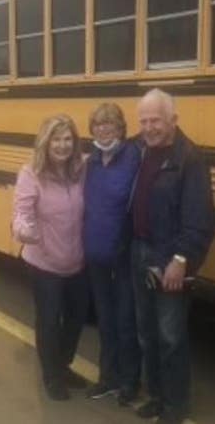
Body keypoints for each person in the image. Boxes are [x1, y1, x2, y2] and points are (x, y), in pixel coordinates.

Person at [129, 88, 215, 424]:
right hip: (139, 251)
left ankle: (176, 405)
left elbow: (201, 220)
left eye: (156, 121)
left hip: (168, 257)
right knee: (146, 331)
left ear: (173, 120)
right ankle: (157, 395)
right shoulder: (139, 149)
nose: (149, 127)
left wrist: (181, 259)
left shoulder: (190, 159)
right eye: (144, 121)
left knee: (170, 336)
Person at [12, 114, 89, 401]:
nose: (62, 145)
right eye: (56, 139)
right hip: (44, 262)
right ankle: (52, 376)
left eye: (68, 139)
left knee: (76, 317)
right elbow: (22, 212)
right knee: (48, 319)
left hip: (76, 260)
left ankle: (63, 364)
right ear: (46, 142)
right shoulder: (31, 173)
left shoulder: (81, 169)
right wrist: (24, 229)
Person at [82, 103, 142, 405]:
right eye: (98, 125)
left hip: (122, 256)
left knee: (125, 321)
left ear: (121, 128)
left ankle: (129, 382)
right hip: (96, 257)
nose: (104, 129)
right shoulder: (90, 162)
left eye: (110, 124)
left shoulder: (133, 157)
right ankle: (107, 379)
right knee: (105, 321)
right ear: (92, 130)